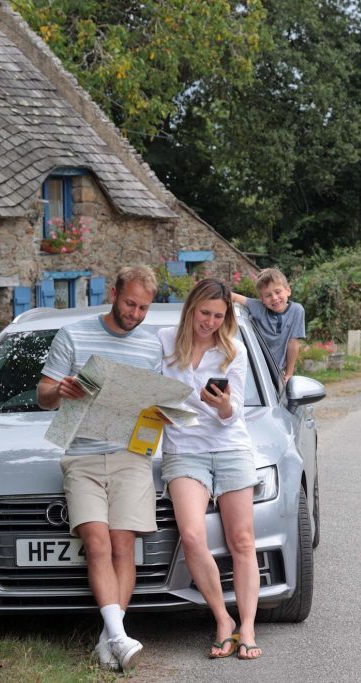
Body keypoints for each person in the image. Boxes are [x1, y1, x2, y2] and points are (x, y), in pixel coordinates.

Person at [36, 265, 162, 673]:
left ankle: (110, 637)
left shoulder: (150, 347)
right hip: (82, 455)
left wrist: (162, 413)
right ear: (114, 292)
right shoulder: (73, 335)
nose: (136, 314)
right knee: (97, 543)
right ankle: (118, 637)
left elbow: (152, 407)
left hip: (130, 456)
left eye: (144, 308)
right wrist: (62, 389)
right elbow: (44, 398)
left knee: (124, 546)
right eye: (130, 303)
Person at [158, 278, 264, 661]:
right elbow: (151, 390)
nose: (210, 322)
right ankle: (223, 619)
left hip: (230, 446)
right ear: (191, 308)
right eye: (205, 313)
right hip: (184, 450)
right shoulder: (165, 341)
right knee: (190, 535)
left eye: (219, 316)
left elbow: (231, 413)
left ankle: (248, 626)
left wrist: (220, 405)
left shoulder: (232, 351)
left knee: (242, 540)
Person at [231, 267, 305, 381]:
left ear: (288, 290)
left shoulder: (297, 310)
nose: (274, 298)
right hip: (255, 371)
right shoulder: (258, 308)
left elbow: (293, 344)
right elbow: (234, 297)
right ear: (262, 299)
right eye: (268, 295)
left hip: (276, 373)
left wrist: (289, 374)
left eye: (278, 292)